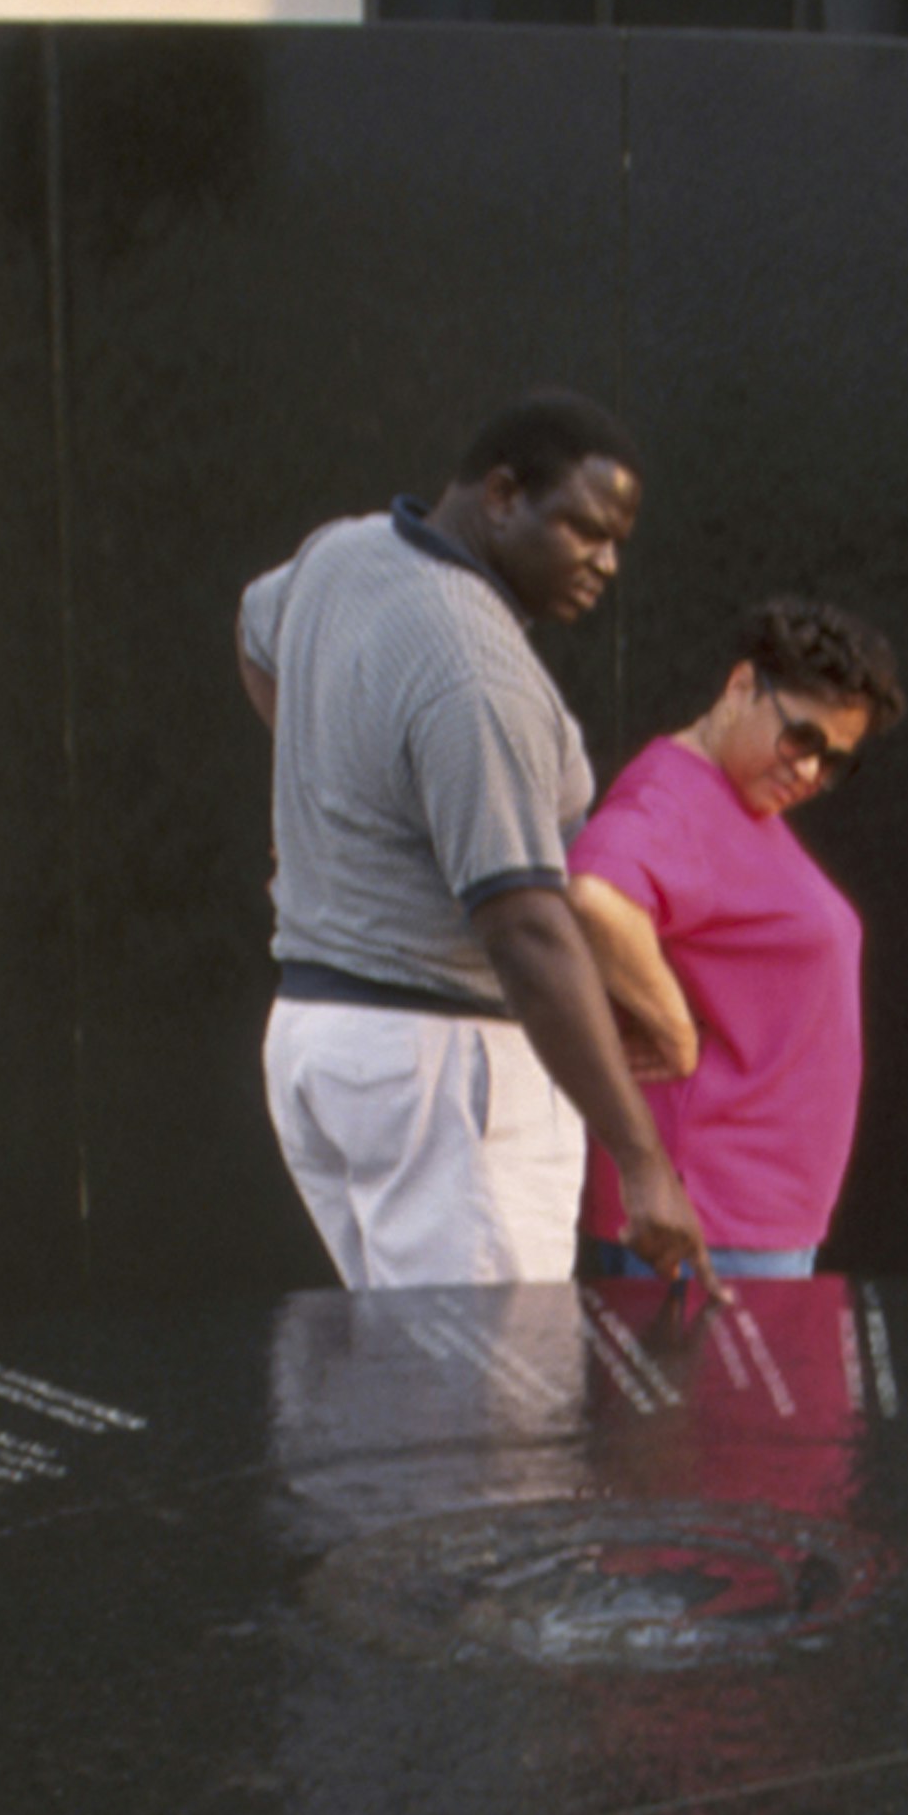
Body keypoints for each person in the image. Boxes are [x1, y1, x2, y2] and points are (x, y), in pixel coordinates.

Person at [236, 399, 706, 1290]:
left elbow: (254, 628)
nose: (606, 564)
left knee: (405, 1390)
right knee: (490, 1406)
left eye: (619, 543)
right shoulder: (475, 673)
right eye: (585, 530)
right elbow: (526, 933)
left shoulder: (345, 552)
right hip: (439, 1065)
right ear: (501, 496)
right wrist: (644, 1163)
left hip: (320, 1044)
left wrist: (335, 809)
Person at [564, 600, 907, 1282]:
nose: (810, 772)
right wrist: (675, 1033)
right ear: (742, 686)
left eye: (834, 761)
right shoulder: (674, 796)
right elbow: (594, 895)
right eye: (801, 739)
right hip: (712, 1218)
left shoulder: (733, 802)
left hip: (755, 1217)